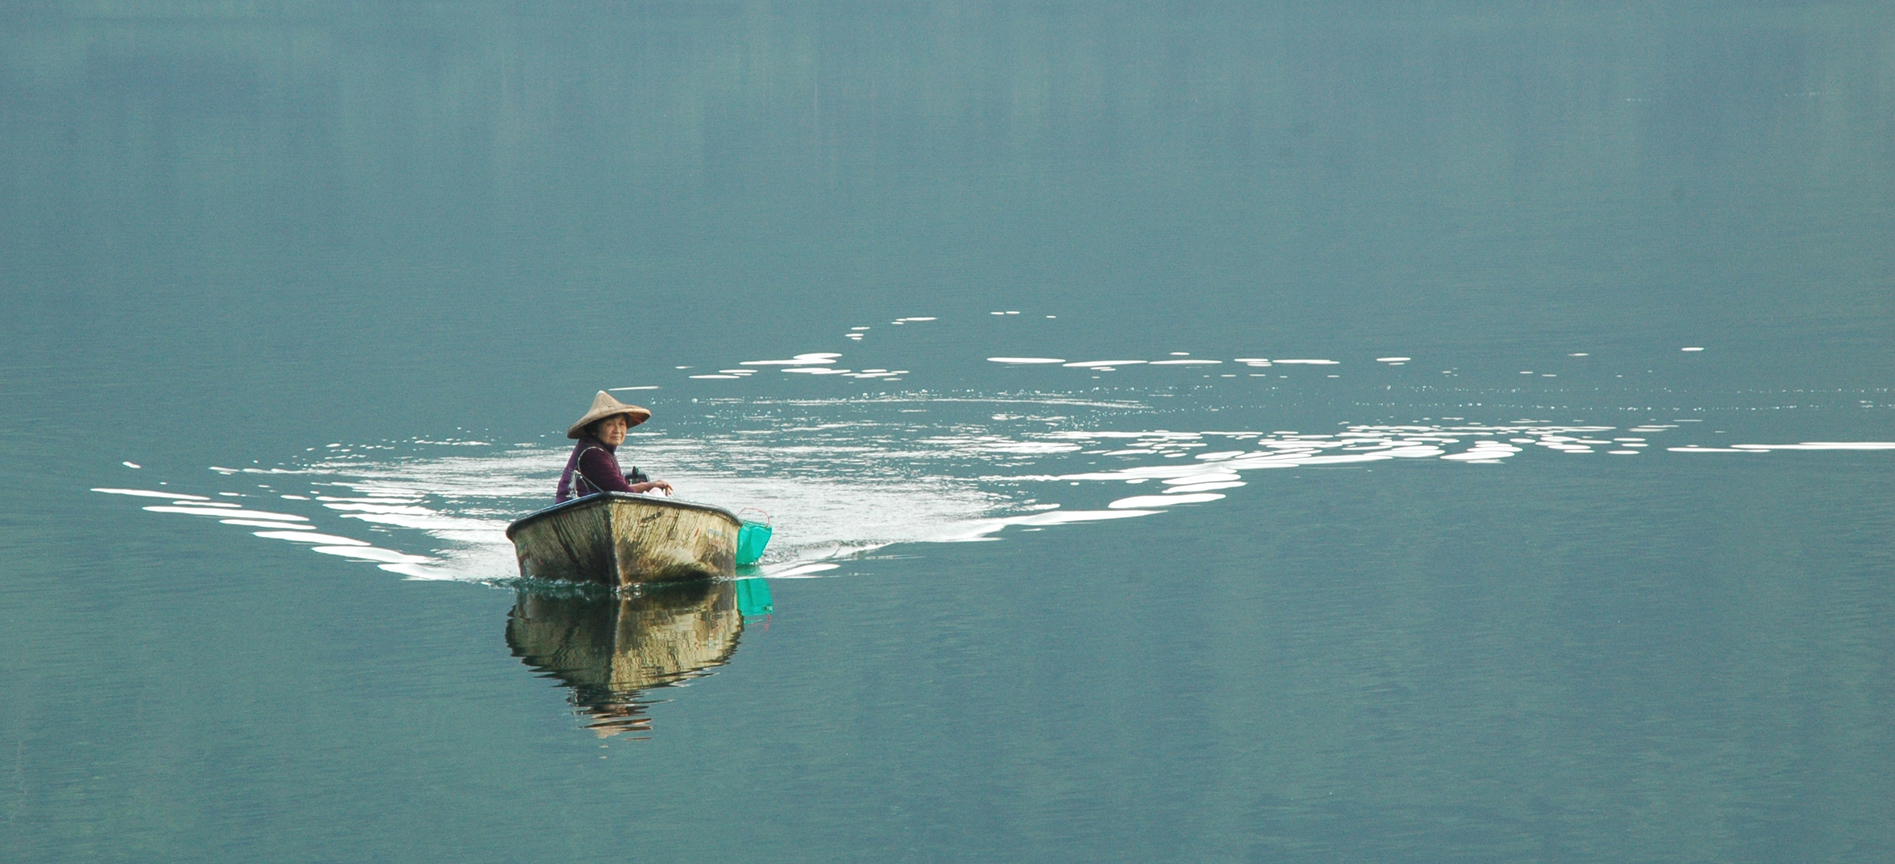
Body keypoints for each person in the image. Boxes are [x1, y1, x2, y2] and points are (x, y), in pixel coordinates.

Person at [555, 391, 675, 503]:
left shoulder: (601, 449)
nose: (617, 430)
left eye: (621, 424)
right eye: (609, 424)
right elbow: (624, 493)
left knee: (655, 490)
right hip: (574, 512)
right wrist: (650, 489)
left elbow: (618, 488)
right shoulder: (592, 454)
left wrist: (648, 486)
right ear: (594, 429)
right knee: (656, 495)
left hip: (591, 507)